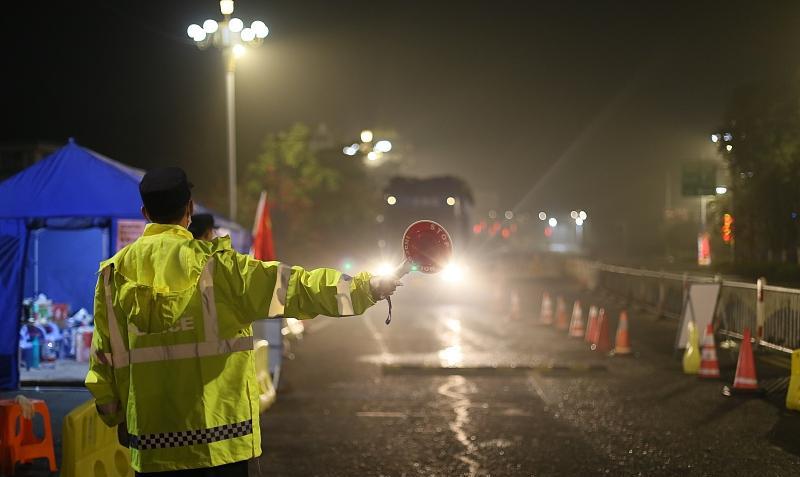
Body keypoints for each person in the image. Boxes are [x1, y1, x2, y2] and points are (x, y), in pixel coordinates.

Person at [85, 166, 401, 476]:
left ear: (144, 212)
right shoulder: (223, 268)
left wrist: (116, 417)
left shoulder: (112, 275)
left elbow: (102, 358)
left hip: (152, 448)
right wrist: (365, 288)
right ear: (190, 209)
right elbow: (297, 289)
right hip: (221, 447)